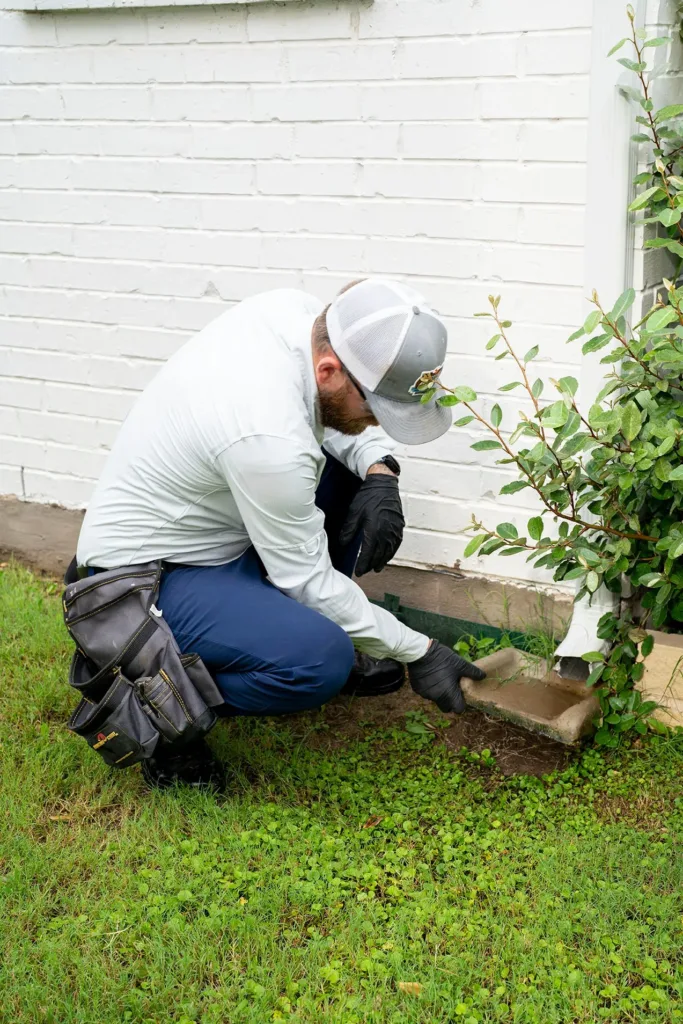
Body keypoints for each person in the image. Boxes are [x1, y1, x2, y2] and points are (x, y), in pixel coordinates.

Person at [75, 278, 485, 788]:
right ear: (330, 368)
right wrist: (420, 651)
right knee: (319, 661)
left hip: (219, 534)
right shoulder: (268, 438)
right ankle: (156, 703)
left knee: (351, 471)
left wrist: (380, 467)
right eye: (377, 409)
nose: (376, 421)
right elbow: (306, 579)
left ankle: (280, 629)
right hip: (141, 581)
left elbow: (334, 414)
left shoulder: (295, 315)